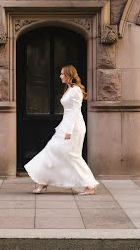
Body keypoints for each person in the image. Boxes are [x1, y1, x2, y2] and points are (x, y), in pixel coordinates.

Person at [24, 64, 99, 195]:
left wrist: (69, 131)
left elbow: (75, 111)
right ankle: (43, 181)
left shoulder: (75, 90)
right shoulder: (69, 89)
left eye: (62, 74)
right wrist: (64, 127)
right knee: (51, 150)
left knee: (72, 156)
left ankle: (90, 185)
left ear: (68, 75)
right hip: (66, 125)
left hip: (74, 127)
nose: (60, 76)